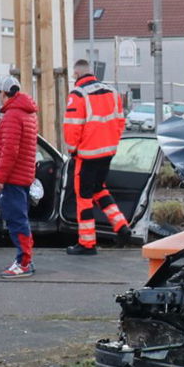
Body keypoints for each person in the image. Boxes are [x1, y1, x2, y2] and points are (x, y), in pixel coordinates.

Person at [62, 60, 130, 255]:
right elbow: (120, 122)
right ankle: (121, 225)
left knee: (84, 197)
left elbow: (72, 126)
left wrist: (72, 150)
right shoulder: (112, 93)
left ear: (76, 74)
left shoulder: (78, 95)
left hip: (87, 154)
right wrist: (111, 143)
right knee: (99, 190)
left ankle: (87, 243)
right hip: (107, 152)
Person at [0, 75, 38, 277]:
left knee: (16, 221)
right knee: (20, 219)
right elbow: (16, 141)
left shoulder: (11, 116)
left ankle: (24, 263)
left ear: (3, 93)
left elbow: (10, 151)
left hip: (12, 178)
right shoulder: (26, 114)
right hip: (23, 176)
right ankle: (26, 259)